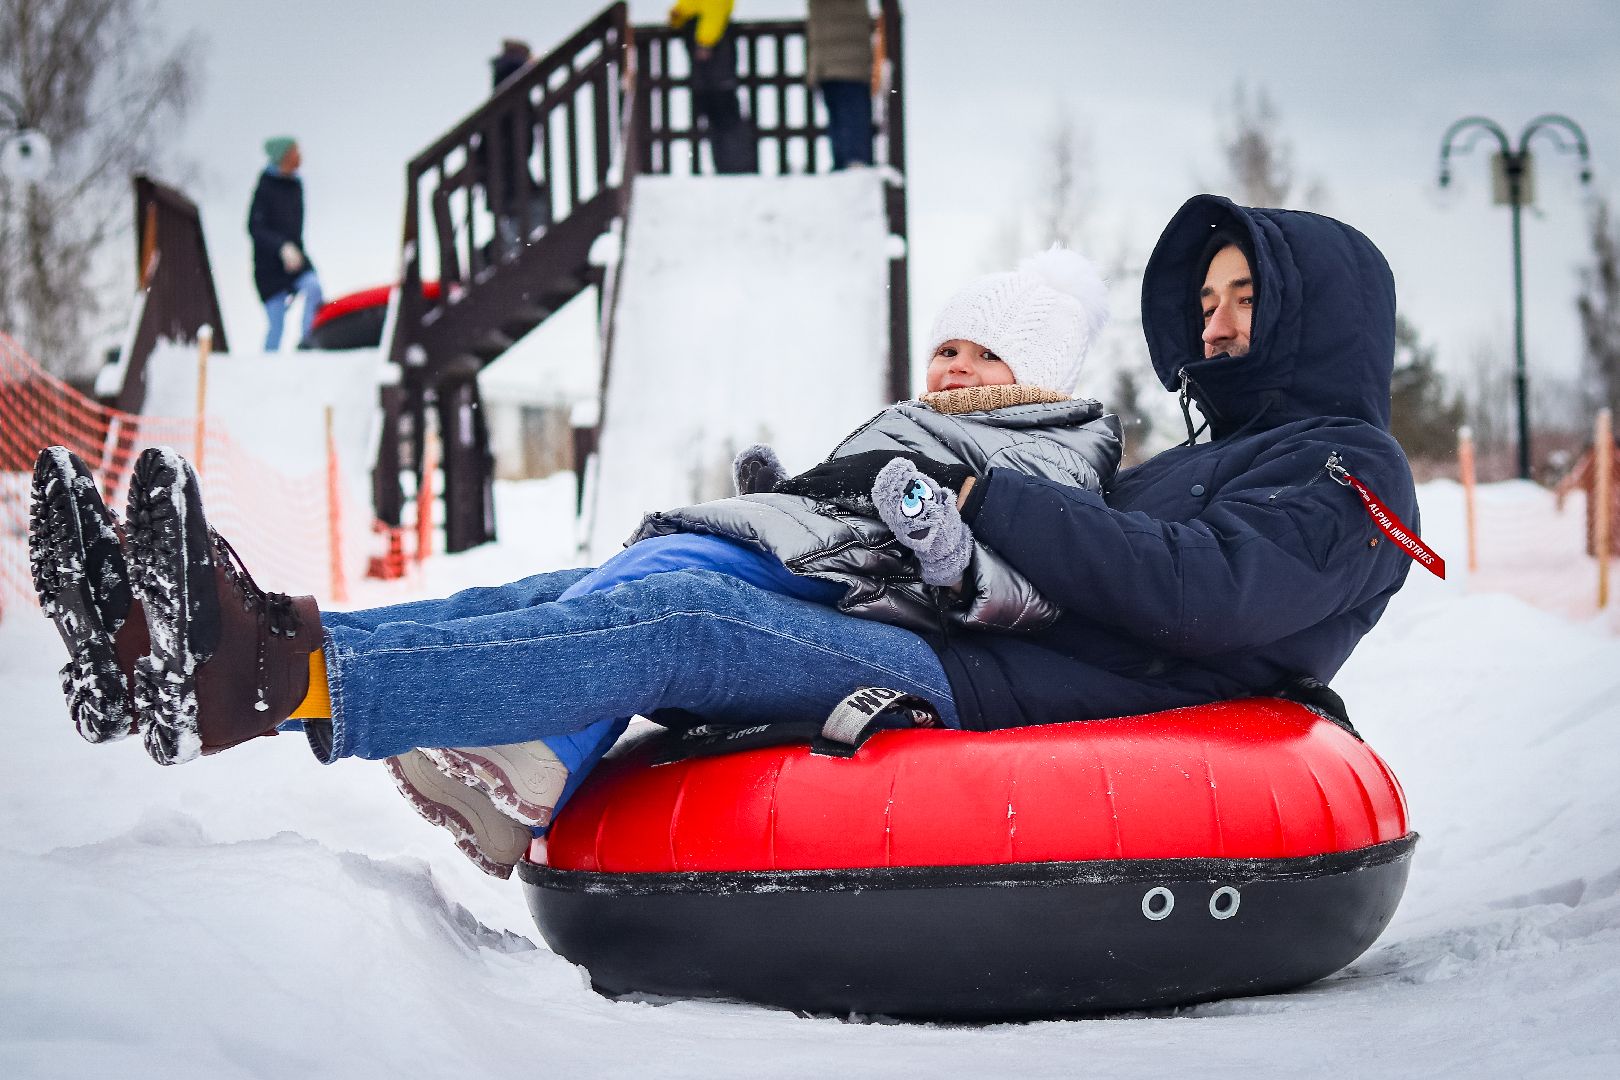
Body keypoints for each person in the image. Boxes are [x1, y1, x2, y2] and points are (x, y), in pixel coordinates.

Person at [29, 195, 1420, 883]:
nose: (1221, 319)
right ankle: (235, 640)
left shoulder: (1348, 477)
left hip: (994, 689)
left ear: (1316, 315)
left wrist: (982, 498)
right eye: (1214, 296)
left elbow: (1204, 593)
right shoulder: (1213, 453)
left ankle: (273, 685)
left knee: (679, 624)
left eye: (1249, 297)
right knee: (581, 582)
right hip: (950, 632)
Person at [248, 137, 322, 351]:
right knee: (276, 324)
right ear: (283, 157)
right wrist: (281, 248)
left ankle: (307, 342)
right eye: (295, 152)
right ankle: (267, 370)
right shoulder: (265, 187)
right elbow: (255, 228)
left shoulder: (296, 185)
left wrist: (294, 253)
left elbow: (295, 229)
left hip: (295, 259)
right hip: (268, 268)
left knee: (314, 288)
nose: (300, 156)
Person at [668, 0, 758, 174]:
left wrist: (705, 41)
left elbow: (714, 9)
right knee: (719, 116)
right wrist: (677, 16)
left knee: (723, 116)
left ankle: (735, 165)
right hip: (711, 67)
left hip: (714, 62)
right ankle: (729, 165)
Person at [806, 0, 875, 170]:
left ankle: (852, 162)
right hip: (836, 63)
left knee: (847, 116)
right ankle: (849, 162)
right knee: (843, 117)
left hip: (840, 63)